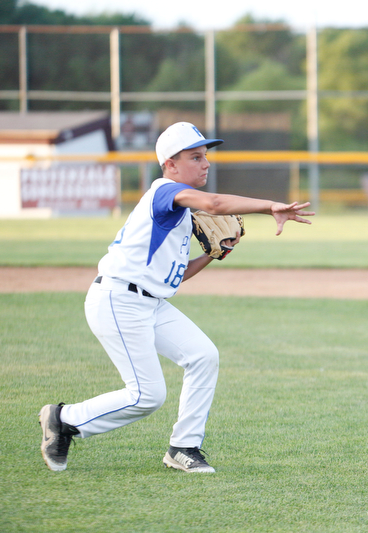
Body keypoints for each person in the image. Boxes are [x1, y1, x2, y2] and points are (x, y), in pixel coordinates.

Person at [38, 122, 314, 473]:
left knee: (203, 356)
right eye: (196, 157)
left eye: (206, 156)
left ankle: (184, 447)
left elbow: (173, 277)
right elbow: (214, 203)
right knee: (146, 396)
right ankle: (64, 419)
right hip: (118, 301)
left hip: (148, 301)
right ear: (170, 164)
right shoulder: (164, 192)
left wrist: (212, 255)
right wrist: (271, 206)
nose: (206, 164)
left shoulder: (180, 212)